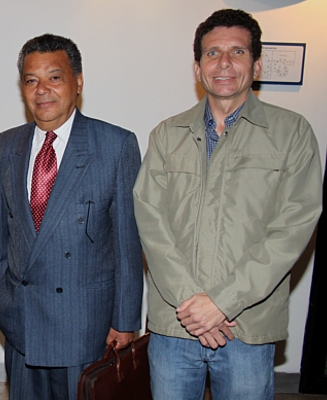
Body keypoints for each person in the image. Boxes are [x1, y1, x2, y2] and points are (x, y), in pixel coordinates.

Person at [133, 9, 322, 400]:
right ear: (197, 67)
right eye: (212, 53)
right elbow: (151, 222)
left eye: (237, 52)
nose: (224, 63)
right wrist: (193, 304)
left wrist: (222, 303)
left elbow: (292, 228)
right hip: (176, 323)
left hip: (247, 326)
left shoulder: (291, 133)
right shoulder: (167, 135)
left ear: (256, 65)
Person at [0, 34, 144, 400]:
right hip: (22, 319)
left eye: (54, 77)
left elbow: (127, 243)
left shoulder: (115, 145)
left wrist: (125, 321)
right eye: (31, 80)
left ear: (78, 81)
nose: (42, 89)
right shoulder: (7, 144)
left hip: (84, 324)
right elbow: (5, 231)